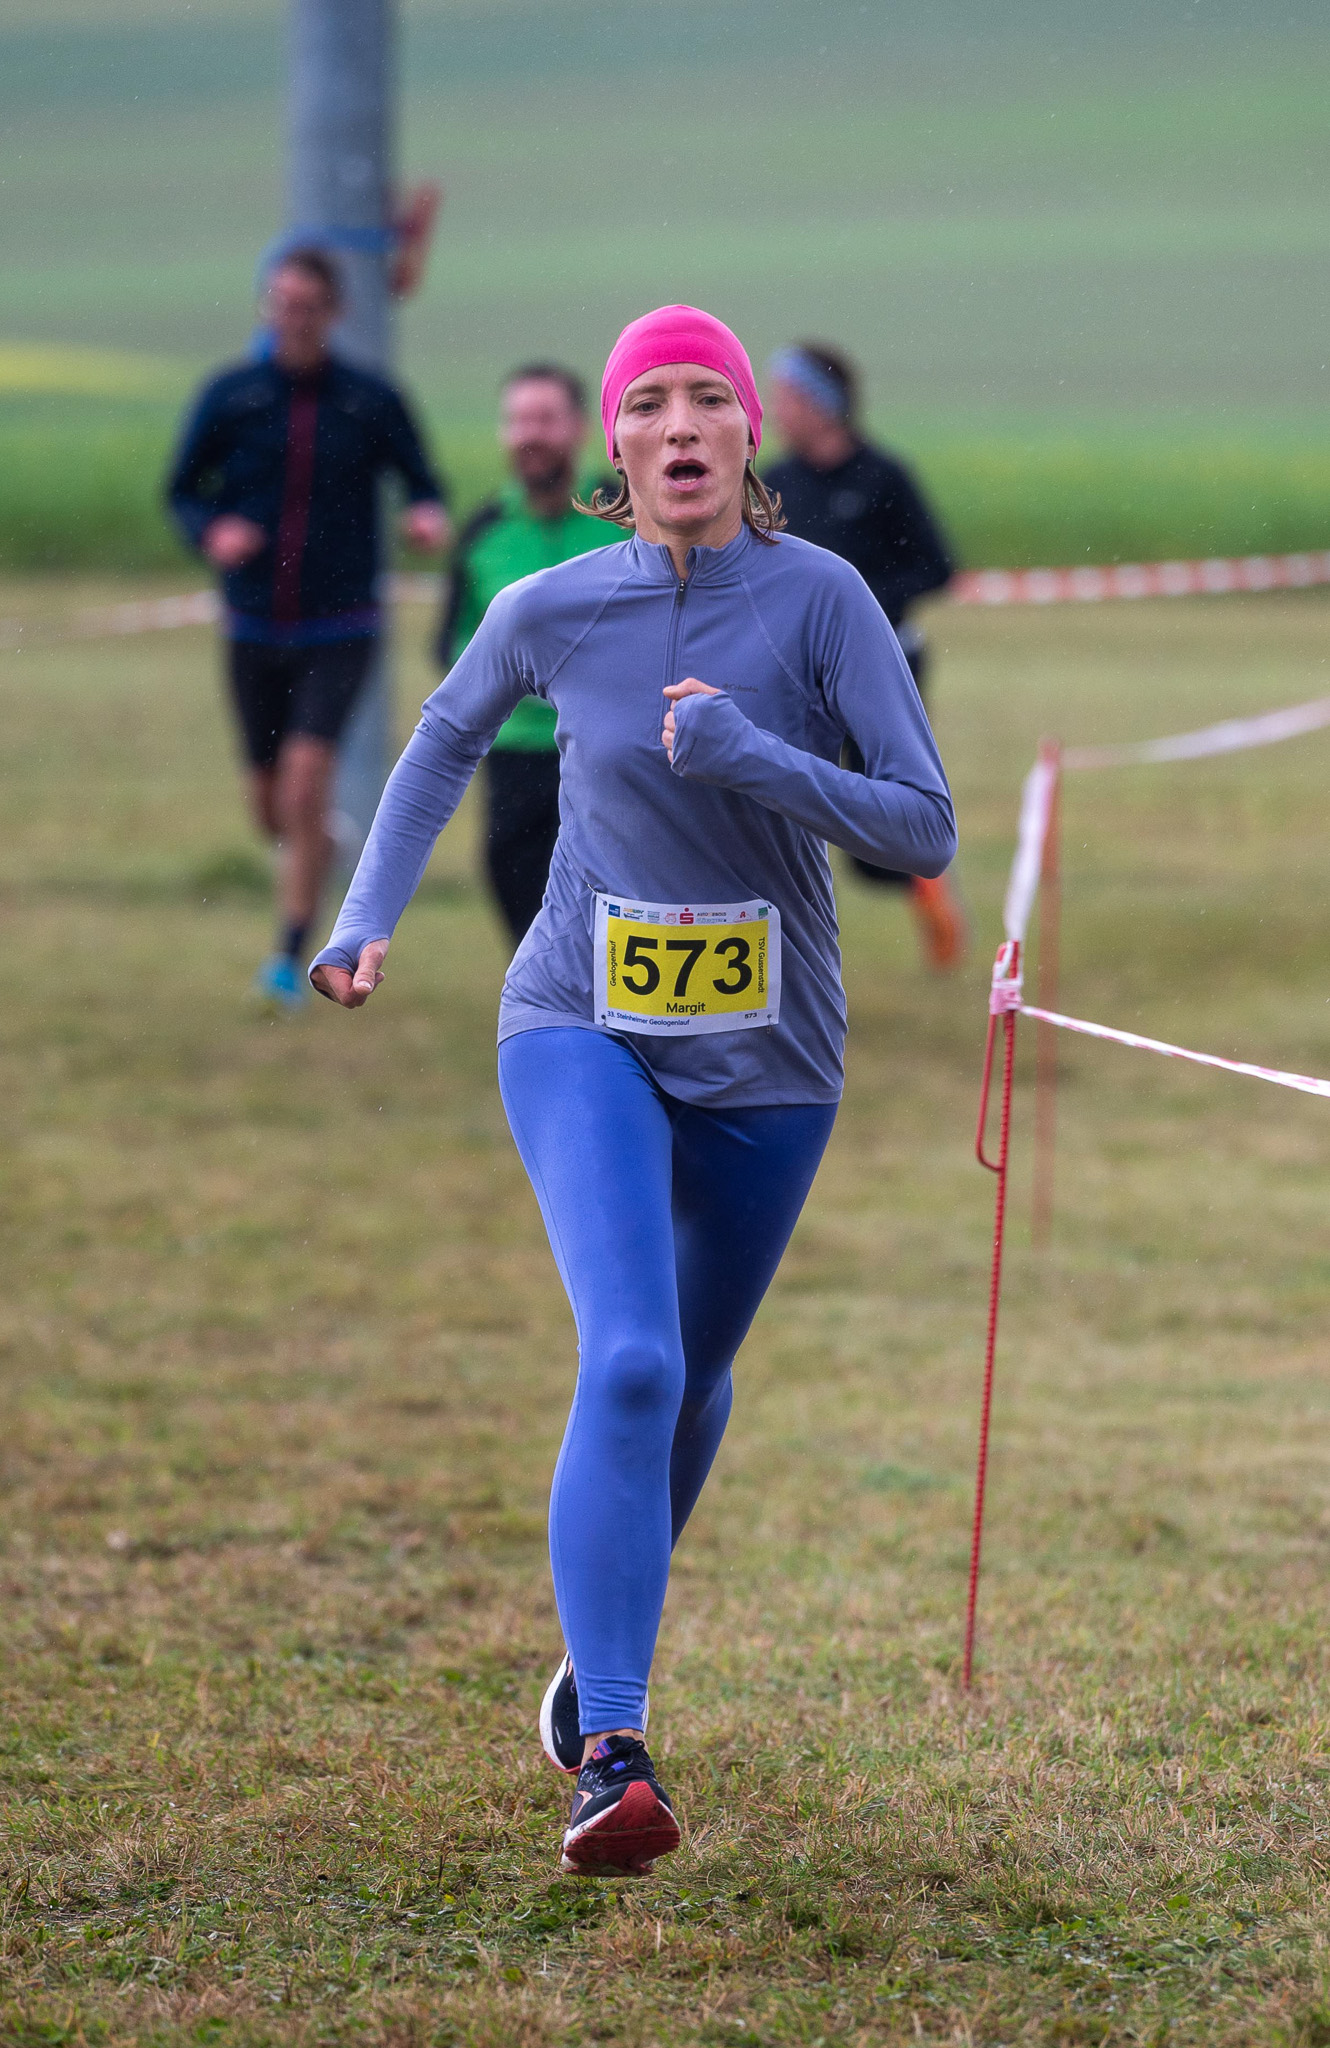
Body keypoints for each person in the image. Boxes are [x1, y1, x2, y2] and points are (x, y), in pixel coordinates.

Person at [309, 306, 955, 1877]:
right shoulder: (548, 605)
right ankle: (613, 1750)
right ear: (617, 442)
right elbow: (442, 741)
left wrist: (754, 758)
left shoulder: (822, 599)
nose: (679, 425)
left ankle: (593, 1643)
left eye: (706, 400)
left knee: (696, 1367)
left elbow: (922, 825)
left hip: (772, 1054)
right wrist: (364, 914)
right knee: (636, 1358)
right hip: (576, 1019)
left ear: (745, 436)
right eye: (648, 403)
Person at [167, 247, 450, 1010]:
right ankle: (319, 841)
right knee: (269, 807)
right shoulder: (231, 395)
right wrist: (211, 531)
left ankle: (289, 959)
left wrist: (426, 515)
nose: (292, 319)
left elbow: (422, 480)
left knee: (303, 778)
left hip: (341, 625)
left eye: (307, 306)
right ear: (267, 308)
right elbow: (182, 490)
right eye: (281, 304)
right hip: (253, 623)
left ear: (334, 313)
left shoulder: (369, 399)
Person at [763, 342, 968, 970]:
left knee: (880, 838)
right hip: (793, 672)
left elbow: (938, 566)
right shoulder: (773, 483)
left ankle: (932, 891)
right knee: (778, 809)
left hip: (885, 666)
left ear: (824, 403)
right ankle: (782, 944)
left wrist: (860, 604)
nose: (777, 410)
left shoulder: (884, 476)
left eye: (788, 397)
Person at [435, 365, 617, 946]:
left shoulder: (630, 516)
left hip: (611, 751)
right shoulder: (484, 531)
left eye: (545, 419)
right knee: (521, 902)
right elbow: (451, 645)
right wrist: (516, 684)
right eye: (517, 420)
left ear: (580, 428)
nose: (530, 434)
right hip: (515, 753)